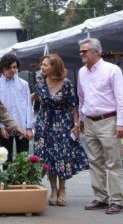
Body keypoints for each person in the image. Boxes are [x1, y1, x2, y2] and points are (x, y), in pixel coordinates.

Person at [77, 37, 123, 215]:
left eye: (84, 51)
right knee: (94, 162)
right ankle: (100, 198)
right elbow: (81, 97)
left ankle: (116, 201)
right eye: (81, 51)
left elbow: (121, 99)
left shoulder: (112, 70)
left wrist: (121, 123)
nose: (81, 54)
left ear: (96, 52)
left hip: (109, 120)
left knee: (113, 162)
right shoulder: (81, 72)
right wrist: (82, 120)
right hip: (90, 122)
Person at [33, 54, 88, 207]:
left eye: (45, 65)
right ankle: (53, 189)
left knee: (62, 156)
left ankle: (63, 189)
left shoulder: (67, 83)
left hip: (63, 123)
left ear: (54, 67)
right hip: (44, 124)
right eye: (42, 64)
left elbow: (73, 107)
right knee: (49, 158)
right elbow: (32, 98)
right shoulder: (40, 83)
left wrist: (77, 126)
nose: (42, 68)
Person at [0, 54, 35, 162]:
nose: (12, 70)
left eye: (15, 67)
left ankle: (23, 180)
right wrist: (1, 127)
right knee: (6, 159)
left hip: (22, 126)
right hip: (5, 127)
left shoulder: (24, 84)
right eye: (9, 67)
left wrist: (29, 128)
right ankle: (8, 179)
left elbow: (28, 106)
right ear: (2, 68)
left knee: (23, 159)